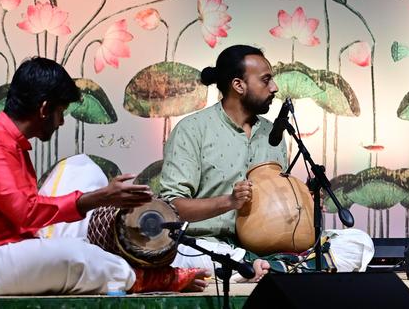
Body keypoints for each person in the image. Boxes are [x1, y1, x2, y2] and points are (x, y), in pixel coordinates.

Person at [0, 57, 205, 295]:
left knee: (81, 172)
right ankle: (145, 279)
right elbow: (27, 214)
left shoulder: (8, 142)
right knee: (73, 255)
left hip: (12, 248)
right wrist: (99, 198)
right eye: (61, 112)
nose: (61, 121)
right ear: (44, 109)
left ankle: (151, 270)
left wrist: (101, 199)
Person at [160, 45, 373, 278]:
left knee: (358, 242)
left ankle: (270, 269)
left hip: (269, 245)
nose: (275, 87)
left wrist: (303, 202)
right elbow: (172, 209)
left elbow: (275, 203)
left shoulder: (273, 134)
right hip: (212, 243)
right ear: (238, 85)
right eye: (266, 80)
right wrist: (230, 201)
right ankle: (279, 269)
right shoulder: (192, 130)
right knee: (190, 254)